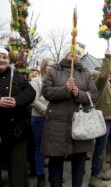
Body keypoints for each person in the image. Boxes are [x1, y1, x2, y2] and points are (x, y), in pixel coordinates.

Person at [42, 45, 98, 187]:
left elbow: (94, 95)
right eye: (74, 52)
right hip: (57, 125)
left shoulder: (85, 72)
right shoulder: (54, 70)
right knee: (56, 163)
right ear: (67, 54)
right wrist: (65, 90)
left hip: (80, 124)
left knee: (79, 164)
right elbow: (46, 92)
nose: (77, 55)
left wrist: (79, 93)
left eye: (79, 53)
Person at [0, 47, 36, 187]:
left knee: (17, 172)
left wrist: (17, 100)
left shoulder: (17, 75)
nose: (2, 60)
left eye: (4, 57)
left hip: (17, 131)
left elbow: (30, 92)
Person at [89, 50, 111, 187]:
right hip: (102, 118)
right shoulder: (97, 83)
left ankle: (99, 171)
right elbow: (104, 76)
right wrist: (107, 58)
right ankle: (94, 176)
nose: (104, 74)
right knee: (99, 148)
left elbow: (106, 76)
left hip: (106, 117)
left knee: (102, 147)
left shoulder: (104, 85)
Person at [30, 58, 55, 187]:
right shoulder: (36, 81)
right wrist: (48, 111)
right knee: (39, 148)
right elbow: (33, 100)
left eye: (54, 65)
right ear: (44, 66)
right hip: (39, 118)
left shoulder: (54, 82)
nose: (52, 67)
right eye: (51, 65)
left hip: (53, 119)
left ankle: (53, 175)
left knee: (52, 148)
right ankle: (40, 175)